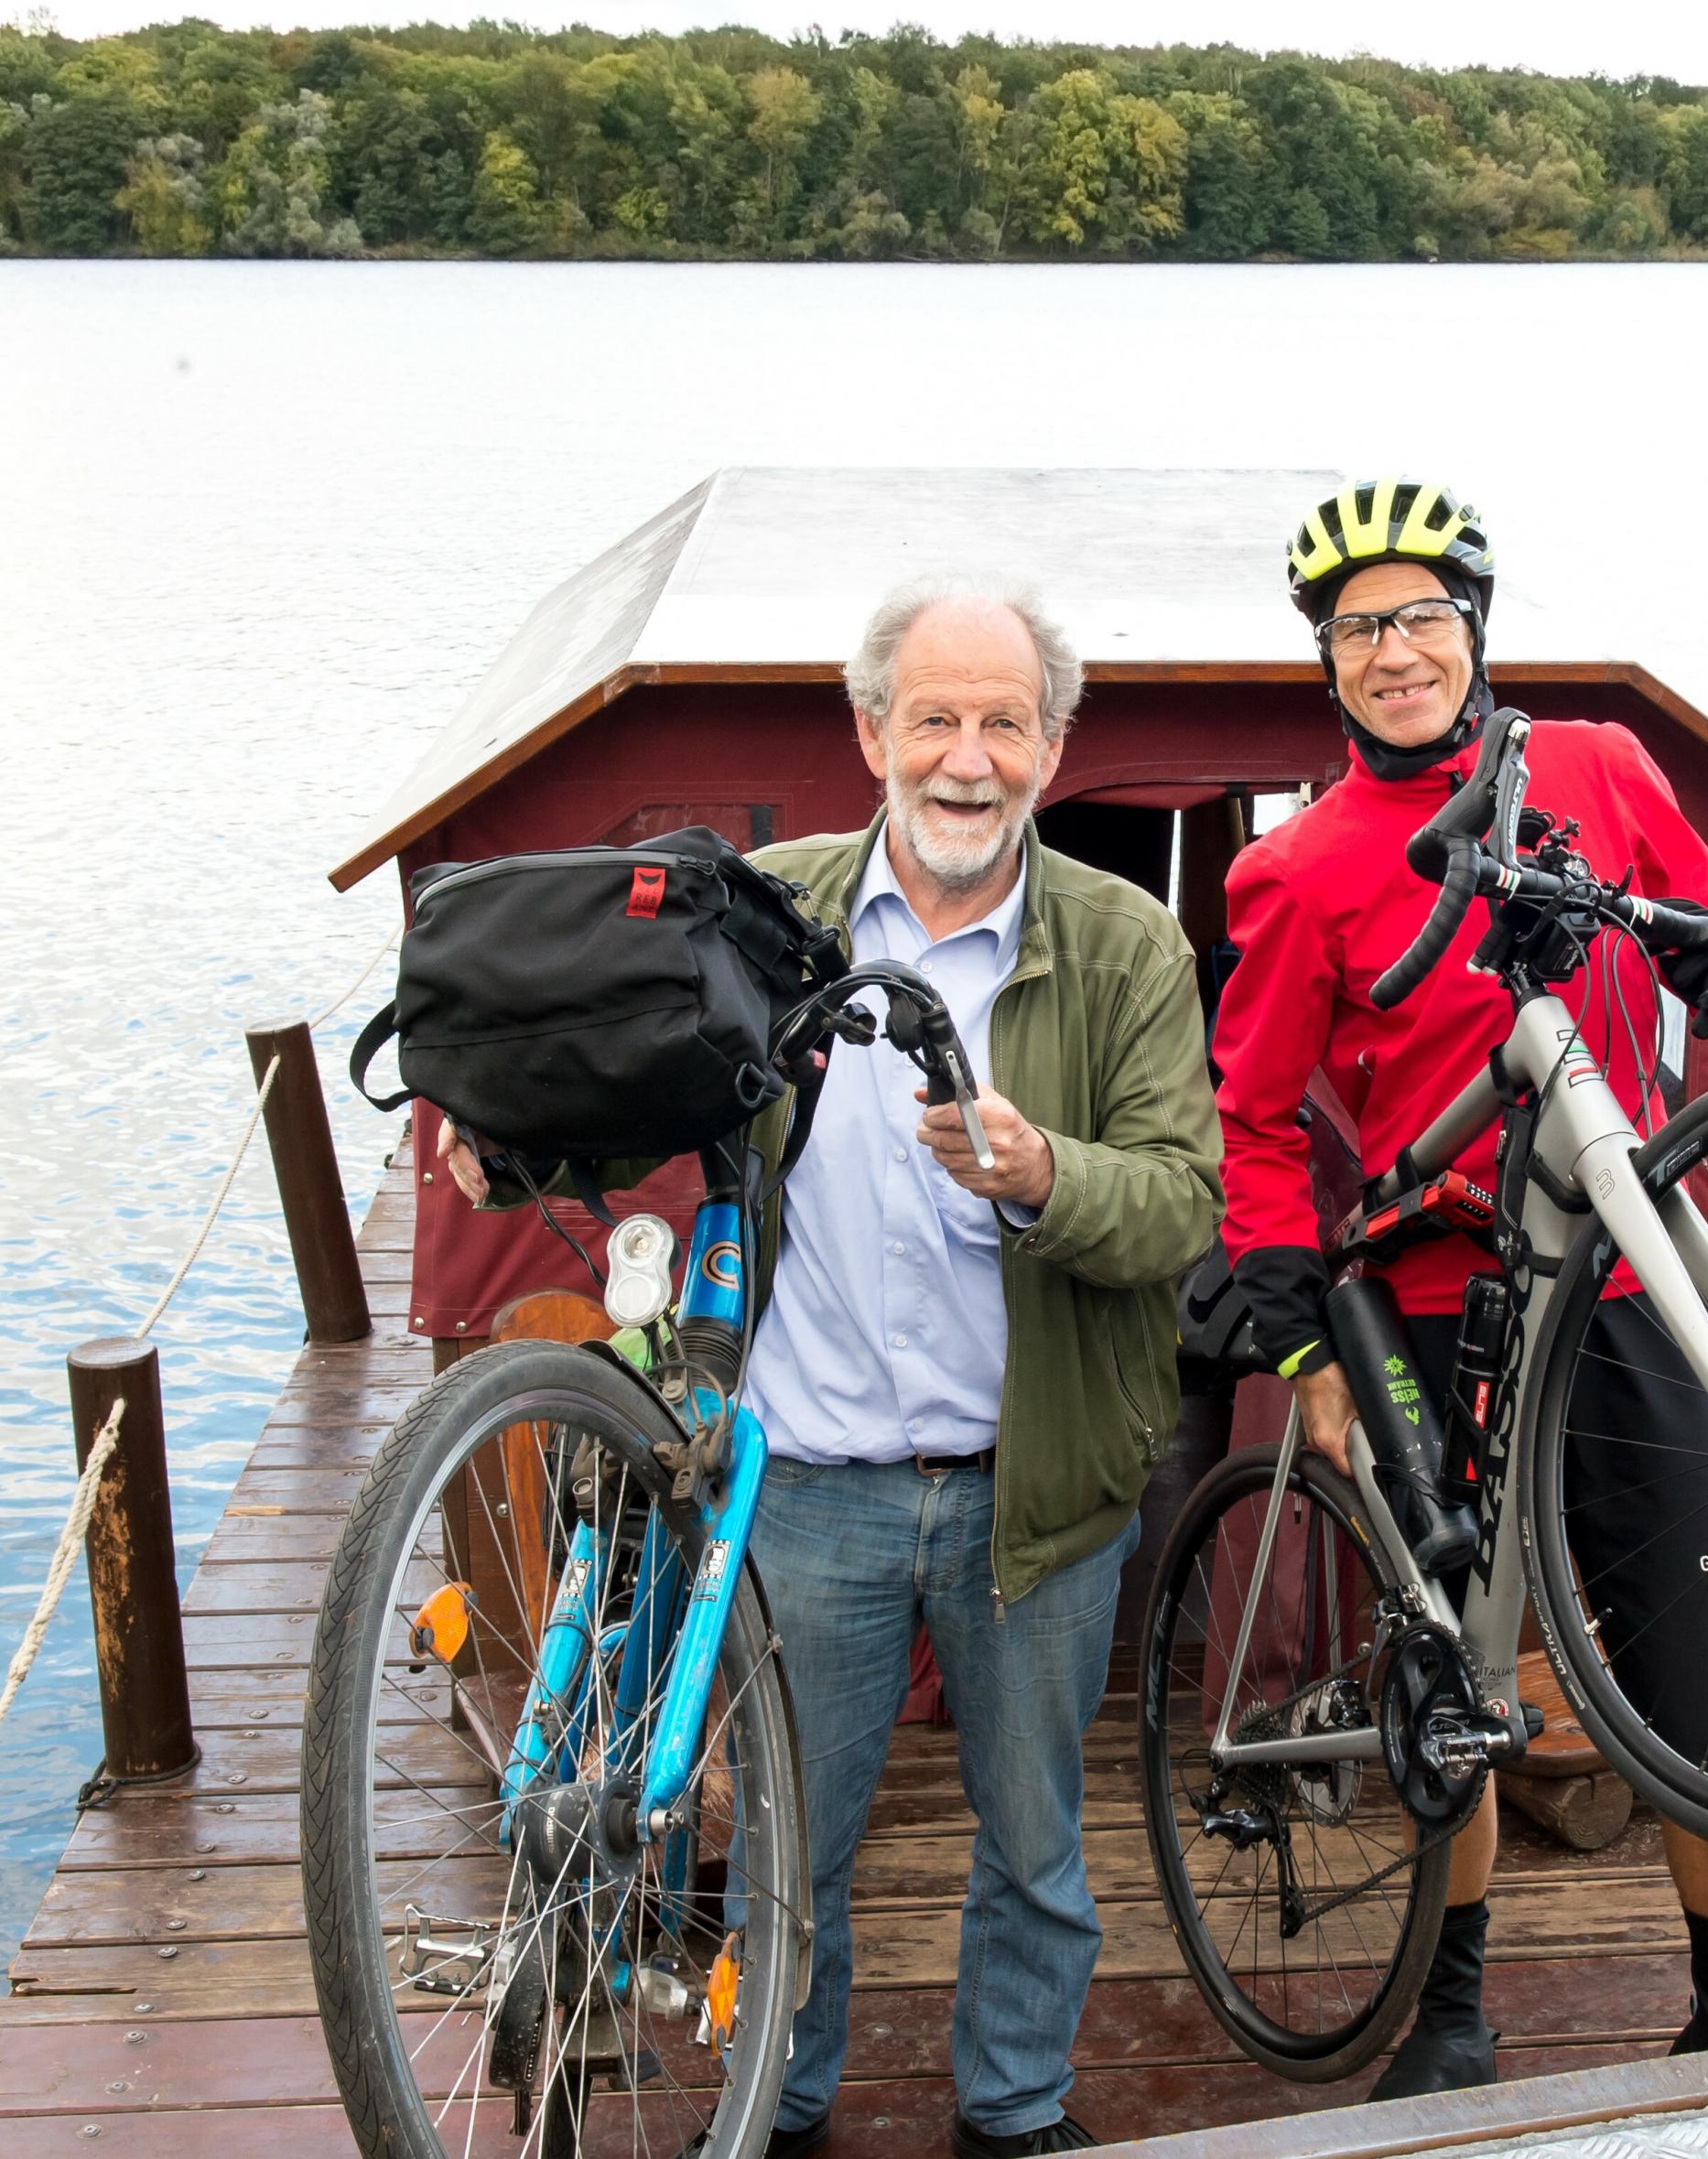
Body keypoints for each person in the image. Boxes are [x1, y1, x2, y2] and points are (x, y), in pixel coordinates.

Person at [445, 577, 1222, 2158]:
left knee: (1035, 1851)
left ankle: (1012, 2110)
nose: (965, 756)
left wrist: (1040, 1174)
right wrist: (509, 1155)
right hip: (804, 1487)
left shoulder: (1128, 945)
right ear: (869, 732)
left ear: (1053, 749)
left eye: (1003, 722)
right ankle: (777, 2111)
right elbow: (625, 1077)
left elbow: (1184, 1206)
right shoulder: (771, 909)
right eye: (931, 716)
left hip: (1038, 1491)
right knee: (800, 1848)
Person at [1211, 480, 1708, 2101]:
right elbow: (1257, 1121)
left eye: (1421, 615)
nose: (1395, 649)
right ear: (1328, 664)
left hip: (1626, 1291)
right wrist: (1305, 1352)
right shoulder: (1292, 872)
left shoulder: (1592, 767)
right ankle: (1448, 2009)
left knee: (1705, 1680)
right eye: (1360, 628)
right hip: (1432, 1310)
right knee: (1454, 1684)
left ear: (1474, 630)